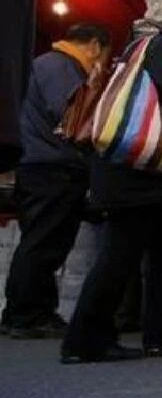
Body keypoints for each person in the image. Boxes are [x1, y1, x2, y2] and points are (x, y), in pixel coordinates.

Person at [61, 0, 162, 363]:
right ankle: (86, 340)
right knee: (121, 255)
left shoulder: (137, 47)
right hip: (142, 176)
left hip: (134, 175)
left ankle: (158, 334)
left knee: (155, 254)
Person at [1, 24, 110, 339]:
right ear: (93, 45)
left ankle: (31, 311)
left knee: (42, 241)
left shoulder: (46, 64)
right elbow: (71, 113)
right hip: (51, 168)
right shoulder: (60, 66)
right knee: (43, 243)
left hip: (41, 164)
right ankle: (26, 314)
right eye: (102, 53)